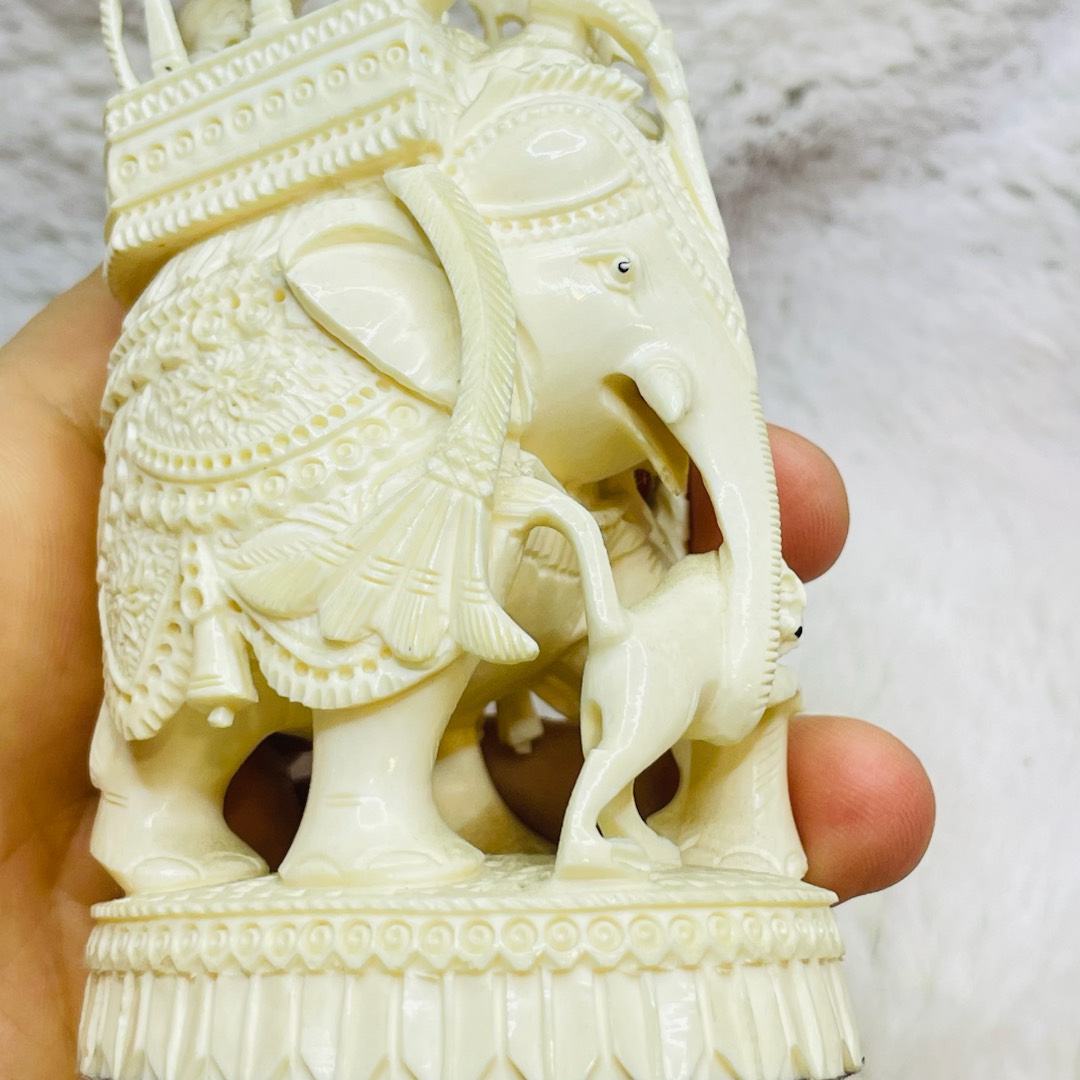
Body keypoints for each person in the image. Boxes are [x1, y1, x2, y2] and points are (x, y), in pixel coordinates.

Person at [0, 271, 934, 1074]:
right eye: (614, 275)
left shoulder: (616, 502)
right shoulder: (395, 437)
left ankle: (569, 811)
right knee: (402, 614)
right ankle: (290, 819)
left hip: (552, 542)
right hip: (370, 524)